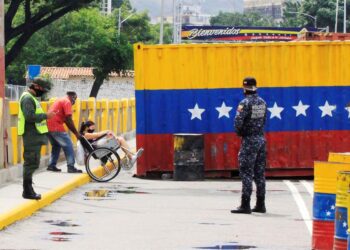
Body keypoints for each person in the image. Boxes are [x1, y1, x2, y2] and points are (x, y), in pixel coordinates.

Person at [231, 77, 267, 214]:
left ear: (244, 88)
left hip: (249, 140)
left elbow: (238, 122)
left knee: (246, 172)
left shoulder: (244, 103)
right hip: (260, 139)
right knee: (259, 173)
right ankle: (260, 204)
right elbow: (264, 120)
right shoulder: (262, 102)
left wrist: (241, 133)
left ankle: (245, 204)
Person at [18, 77, 56, 200]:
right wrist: (46, 115)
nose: (43, 91)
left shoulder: (31, 98)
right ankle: (27, 190)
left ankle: (28, 188)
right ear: (35, 86)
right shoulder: (27, 98)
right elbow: (29, 116)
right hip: (31, 136)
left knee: (34, 162)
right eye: (42, 89)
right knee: (30, 163)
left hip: (34, 136)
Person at [47, 91, 82, 173]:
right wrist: (76, 133)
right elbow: (69, 119)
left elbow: (66, 119)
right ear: (72, 97)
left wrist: (75, 132)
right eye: (75, 98)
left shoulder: (61, 100)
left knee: (56, 145)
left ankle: (51, 165)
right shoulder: (67, 102)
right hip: (56, 126)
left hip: (47, 126)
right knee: (69, 145)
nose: (74, 101)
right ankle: (71, 167)